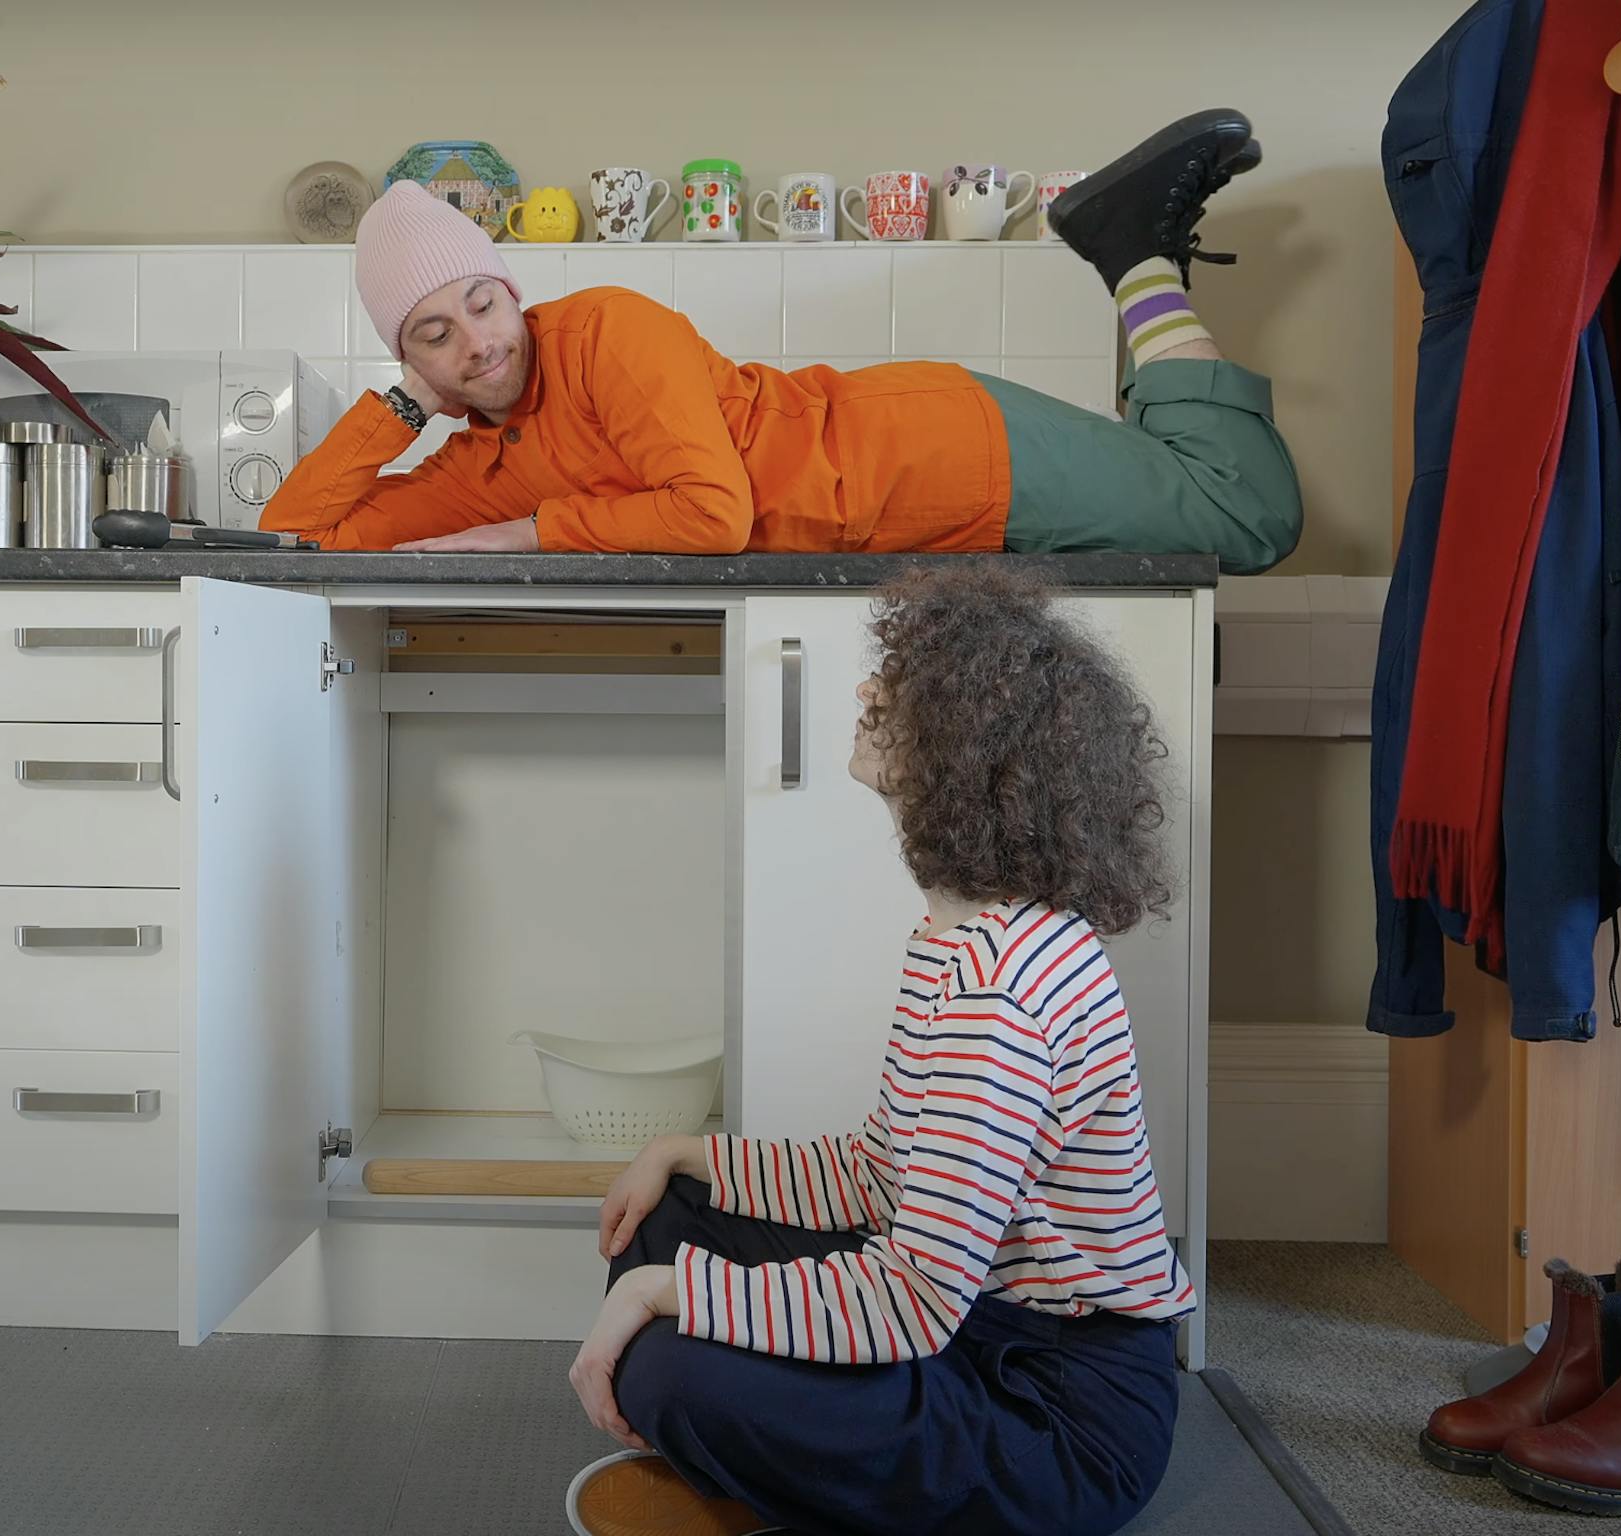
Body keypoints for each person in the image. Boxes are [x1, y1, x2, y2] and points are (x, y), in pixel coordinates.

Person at [560, 566, 1194, 1536]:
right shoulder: (959, 934)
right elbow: (880, 1177)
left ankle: (804, 1474)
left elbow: (913, 1296)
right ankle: (807, 1468)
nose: (865, 694)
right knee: (666, 1213)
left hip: (1062, 1411)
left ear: (973, 757)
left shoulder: (998, 994)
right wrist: (680, 1155)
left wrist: (666, 1293)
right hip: (977, 1324)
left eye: (902, 693)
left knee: (669, 1354)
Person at [261, 111, 1302, 572]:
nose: (476, 346)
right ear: (417, 361)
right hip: (932, 513)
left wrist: (525, 535)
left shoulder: (606, 332)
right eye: (433, 336)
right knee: (1196, 496)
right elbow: (297, 538)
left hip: (945, 451)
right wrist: (397, 413)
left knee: (1244, 518)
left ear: (511, 290)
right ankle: (1141, 266)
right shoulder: (485, 459)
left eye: (482, 305)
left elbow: (712, 516)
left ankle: (1133, 256)